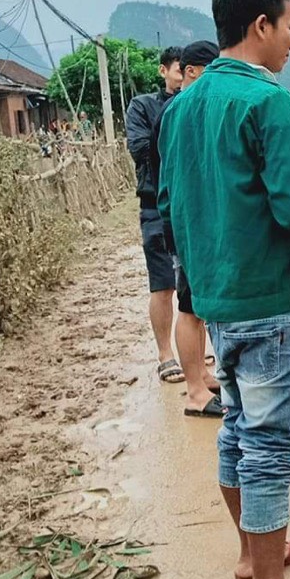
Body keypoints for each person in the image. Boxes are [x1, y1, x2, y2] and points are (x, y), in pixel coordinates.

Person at [158, 0, 290, 579]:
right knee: (267, 445)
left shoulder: (181, 107)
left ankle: (251, 553)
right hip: (272, 302)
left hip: (217, 300)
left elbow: (167, 205)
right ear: (261, 26)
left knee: (238, 428)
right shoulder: (269, 102)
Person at [155, 40, 224, 418]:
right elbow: (167, 180)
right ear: (195, 71)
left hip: (187, 222)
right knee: (189, 306)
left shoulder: (181, 112)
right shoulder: (176, 113)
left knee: (198, 305)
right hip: (185, 225)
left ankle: (203, 375)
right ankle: (195, 390)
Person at [126, 47, 183, 383]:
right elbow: (139, 148)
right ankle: (165, 353)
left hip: (189, 206)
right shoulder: (143, 106)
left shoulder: (193, 103)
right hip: (155, 205)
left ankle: (193, 348)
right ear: (164, 71)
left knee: (192, 281)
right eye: (180, 70)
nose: (184, 77)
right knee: (163, 284)